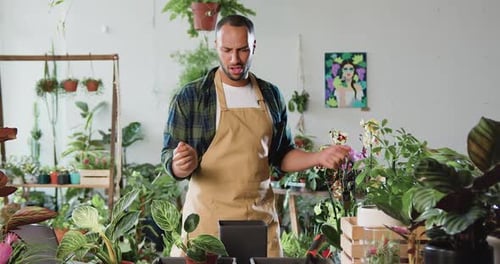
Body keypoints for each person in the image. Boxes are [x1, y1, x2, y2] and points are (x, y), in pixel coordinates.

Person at [161, 14, 351, 257]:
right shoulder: (192, 97)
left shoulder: (271, 95)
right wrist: (180, 164)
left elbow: (281, 156)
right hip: (206, 224)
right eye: (227, 50)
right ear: (216, 46)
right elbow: (170, 156)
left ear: (254, 46)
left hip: (258, 223)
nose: (235, 59)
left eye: (243, 50)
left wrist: (319, 157)